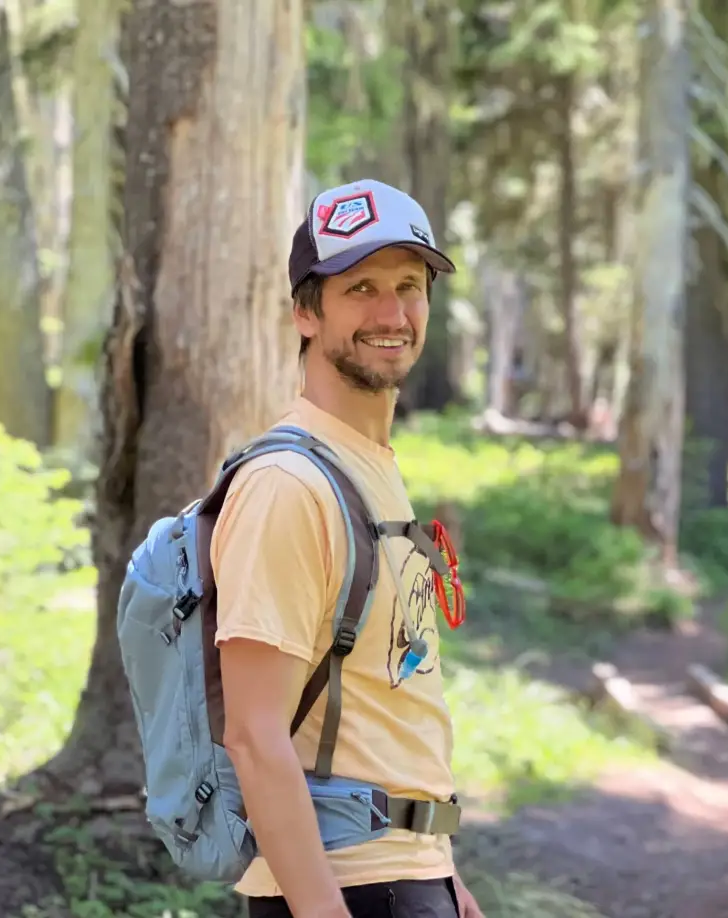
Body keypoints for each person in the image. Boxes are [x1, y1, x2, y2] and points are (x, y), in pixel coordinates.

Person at [210, 179, 485, 918]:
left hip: (405, 874)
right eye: (361, 288)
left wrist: (442, 872)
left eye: (408, 287)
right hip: (347, 889)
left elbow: (382, 703)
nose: (391, 314)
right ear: (306, 311)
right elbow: (254, 734)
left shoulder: (369, 468)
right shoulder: (287, 485)